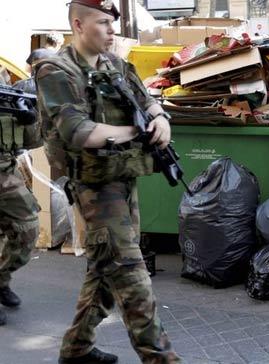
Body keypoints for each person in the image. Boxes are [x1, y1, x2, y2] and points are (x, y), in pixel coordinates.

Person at [35, 1, 180, 363]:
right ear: (79, 25)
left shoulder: (114, 64)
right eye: (103, 23)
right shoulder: (56, 69)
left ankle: (76, 350)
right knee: (133, 280)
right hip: (95, 189)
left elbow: (148, 100)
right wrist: (136, 131)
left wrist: (160, 120)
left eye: (112, 23)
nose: (112, 30)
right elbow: (78, 131)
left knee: (104, 273)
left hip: (124, 181)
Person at [0, 85, 41, 327]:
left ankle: (1, 280)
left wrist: (30, 117)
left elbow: (32, 141)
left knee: (28, 230)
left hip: (7, 173)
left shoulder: (9, 92)